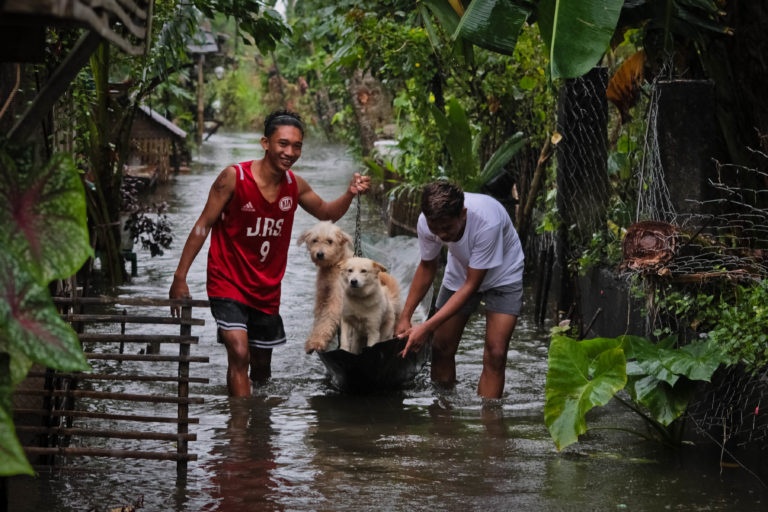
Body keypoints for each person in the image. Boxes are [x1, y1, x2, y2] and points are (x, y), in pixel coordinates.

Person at [169, 109, 370, 397]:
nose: (290, 152)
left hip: (266, 287)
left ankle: (260, 430)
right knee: (239, 353)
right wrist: (180, 276)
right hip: (227, 280)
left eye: (297, 146)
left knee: (262, 368)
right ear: (266, 143)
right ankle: (239, 433)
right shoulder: (233, 177)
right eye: (283, 144)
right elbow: (203, 225)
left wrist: (350, 192)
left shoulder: (294, 185)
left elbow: (327, 212)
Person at [396, 181, 524, 399]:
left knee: (496, 353)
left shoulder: (487, 222)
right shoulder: (426, 223)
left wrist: (426, 327)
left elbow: (472, 286)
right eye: (435, 229)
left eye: (447, 228)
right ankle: (443, 414)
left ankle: (489, 422)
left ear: (462, 214)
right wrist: (405, 316)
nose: (442, 235)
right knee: (441, 346)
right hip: (460, 272)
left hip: (503, 274)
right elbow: (427, 267)